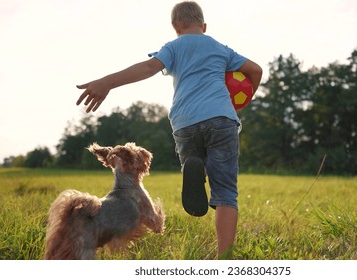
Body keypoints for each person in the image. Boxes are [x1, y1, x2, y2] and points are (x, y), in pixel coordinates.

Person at [76, 1, 262, 259]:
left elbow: (147, 68)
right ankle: (224, 258)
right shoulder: (220, 48)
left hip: (185, 122)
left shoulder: (173, 47)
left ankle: (193, 167)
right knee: (226, 193)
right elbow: (255, 70)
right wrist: (240, 102)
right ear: (204, 26)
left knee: (194, 157)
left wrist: (107, 82)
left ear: (176, 27)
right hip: (221, 119)